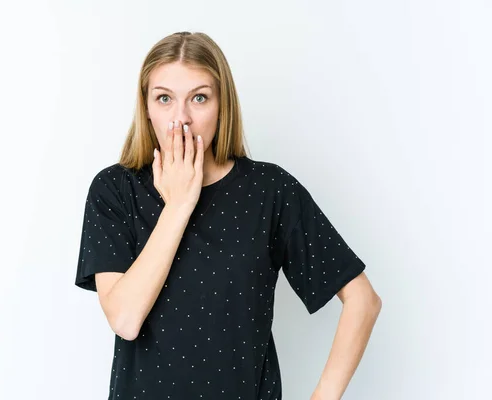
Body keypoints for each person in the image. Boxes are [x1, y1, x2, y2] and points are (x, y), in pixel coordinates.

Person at [75, 31, 382, 400]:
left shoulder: (271, 190)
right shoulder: (113, 190)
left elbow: (363, 299)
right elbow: (125, 320)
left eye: (199, 98)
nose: (181, 118)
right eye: (164, 99)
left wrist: (324, 396)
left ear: (223, 105)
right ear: (146, 107)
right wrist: (179, 204)